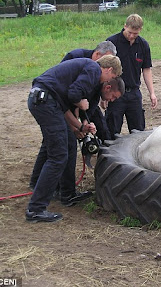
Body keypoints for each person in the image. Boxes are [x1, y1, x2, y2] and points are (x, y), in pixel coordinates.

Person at [26, 55, 124, 223]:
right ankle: (36, 208)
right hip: (44, 101)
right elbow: (73, 94)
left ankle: (67, 194)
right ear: (108, 70)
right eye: (113, 77)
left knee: (70, 145)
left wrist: (79, 127)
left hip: (46, 101)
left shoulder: (88, 74)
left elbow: (64, 108)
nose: (109, 81)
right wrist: (81, 103)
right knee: (58, 156)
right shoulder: (93, 69)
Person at [28, 42, 117, 192]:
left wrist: (82, 124)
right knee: (60, 148)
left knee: (59, 144)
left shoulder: (95, 74)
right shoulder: (84, 62)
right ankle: (57, 191)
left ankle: (49, 187)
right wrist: (75, 125)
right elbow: (67, 93)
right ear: (98, 56)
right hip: (53, 103)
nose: (108, 80)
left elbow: (88, 104)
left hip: (58, 103)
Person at [106, 14, 158, 140]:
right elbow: (104, 69)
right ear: (125, 26)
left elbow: (146, 69)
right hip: (115, 93)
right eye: (129, 32)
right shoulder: (112, 42)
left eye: (135, 33)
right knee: (111, 131)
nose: (131, 36)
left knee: (138, 132)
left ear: (140, 29)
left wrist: (152, 93)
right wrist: (104, 95)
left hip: (134, 93)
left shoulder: (143, 45)